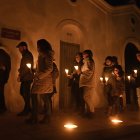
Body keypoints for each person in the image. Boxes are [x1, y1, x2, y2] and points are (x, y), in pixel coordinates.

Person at [26, 39, 53, 124]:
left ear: (42, 46)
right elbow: (42, 68)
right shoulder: (41, 55)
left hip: (43, 81)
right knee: (44, 98)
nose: (37, 48)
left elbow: (49, 68)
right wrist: (34, 70)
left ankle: (35, 117)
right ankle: (42, 117)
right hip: (40, 80)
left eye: (38, 46)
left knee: (36, 96)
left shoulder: (47, 55)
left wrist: (39, 76)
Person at [16, 41, 34, 116]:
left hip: (27, 78)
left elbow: (27, 68)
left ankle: (27, 110)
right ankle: (28, 108)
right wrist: (20, 70)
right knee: (23, 92)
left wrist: (20, 76)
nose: (19, 50)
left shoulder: (27, 55)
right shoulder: (25, 55)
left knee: (25, 93)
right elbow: (24, 66)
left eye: (20, 48)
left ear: (24, 47)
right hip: (25, 77)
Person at [79, 49, 95, 119]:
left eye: (84, 54)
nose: (82, 55)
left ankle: (91, 112)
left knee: (86, 97)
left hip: (88, 82)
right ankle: (88, 112)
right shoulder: (86, 61)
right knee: (86, 97)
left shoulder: (89, 61)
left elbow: (90, 71)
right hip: (85, 82)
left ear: (87, 54)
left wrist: (82, 72)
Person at [0, 48, 11, 113]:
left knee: (0, 93)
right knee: (1, 93)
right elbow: (8, 68)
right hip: (3, 78)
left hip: (1, 77)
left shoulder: (2, 54)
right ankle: (2, 108)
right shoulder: (5, 54)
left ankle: (2, 108)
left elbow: (4, 67)